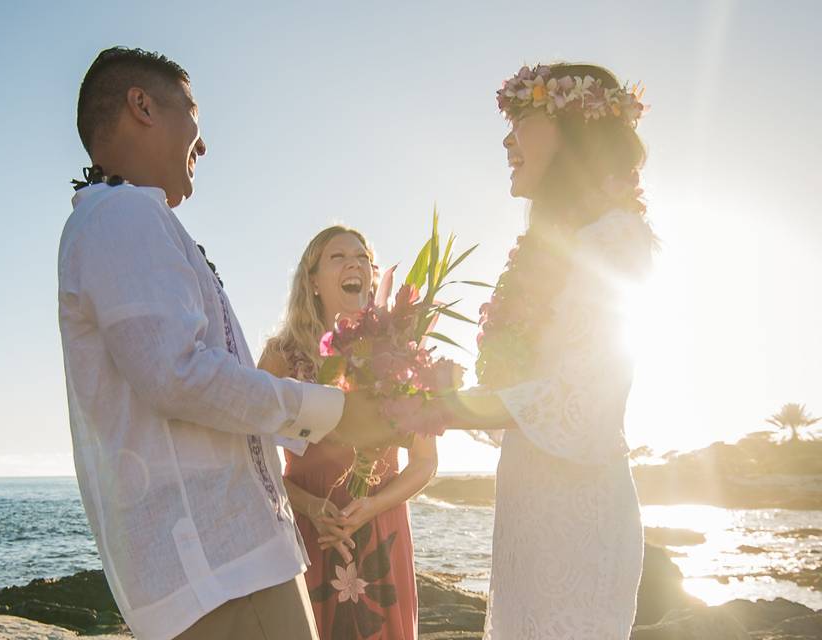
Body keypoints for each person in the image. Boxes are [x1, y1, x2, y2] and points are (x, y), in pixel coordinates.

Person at [57, 47, 399, 640]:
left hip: (226, 559)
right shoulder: (121, 215)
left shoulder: (123, 216)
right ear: (142, 105)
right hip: (218, 565)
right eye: (193, 113)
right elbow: (177, 374)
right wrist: (335, 413)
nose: (204, 143)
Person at [437, 63, 654, 639]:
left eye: (522, 122)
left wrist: (447, 409)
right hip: (531, 504)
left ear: (572, 130)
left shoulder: (615, 237)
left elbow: (583, 400)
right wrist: (446, 395)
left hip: (577, 516)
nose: (508, 141)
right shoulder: (555, 245)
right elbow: (530, 391)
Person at [259, 226, 438, 640]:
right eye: (338, 257)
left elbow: (426, 462)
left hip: (382, 527)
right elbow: (248, 456)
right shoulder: (282, 356)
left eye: (363, 258)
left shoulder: (401, 352)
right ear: (313, 282)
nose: (355, 263)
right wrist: (311, 507)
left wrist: (371, 507)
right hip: (309, 531)